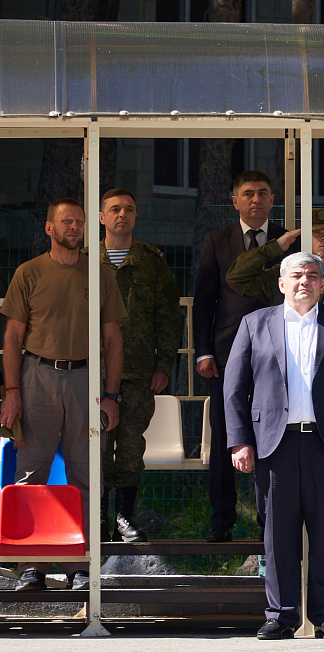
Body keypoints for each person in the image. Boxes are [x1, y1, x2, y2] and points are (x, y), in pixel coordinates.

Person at [224, 252, 324, 640]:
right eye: (296, 276)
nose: (304, 282)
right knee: (278, 536)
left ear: (323, 285)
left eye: (312, 275)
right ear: (281, 283)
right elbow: (234, 389)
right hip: (274, 446)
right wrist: (240, 440)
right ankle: (281, 614)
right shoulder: (255, 324)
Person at [0, 198, 126, 591]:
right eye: (66, 221)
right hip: (36, 375)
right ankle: (31, 565)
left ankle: (81, 565)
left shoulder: (100, 274)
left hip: (85, 378)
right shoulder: (29, 273)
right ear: (49, 229)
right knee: (31, 472)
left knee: (86, 475)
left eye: (80, 221)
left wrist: (111, 395)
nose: (74, 226)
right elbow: (13, 337)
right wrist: (12, 392)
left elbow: (112, 338)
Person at [194, 170, 286, 543]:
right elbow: (204, 301)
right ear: (235, 200)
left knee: (273, 435)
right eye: (247, 193)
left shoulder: (287, 241)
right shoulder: (218, 240)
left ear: (272, 198)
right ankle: (222, 520)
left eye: (263, 193)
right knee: (224, 436)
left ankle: (271, 518)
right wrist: (202, 351)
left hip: (276, 351)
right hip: (226, 351)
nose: (256, 199)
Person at [95, 188, 182, 543]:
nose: (122, 215)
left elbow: (168, 316)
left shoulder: (151, 260)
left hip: (139, 372)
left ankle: (122, 518)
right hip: (92, 373)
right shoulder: (86, 259)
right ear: (101, 217)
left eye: (129, 209)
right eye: (115, 209)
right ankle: (97, 518)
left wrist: (164, 364)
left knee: (130, 447)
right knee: (96, 447)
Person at [227, 206, 324, 313]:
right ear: (306, 236)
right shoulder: (285, 276)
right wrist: (274, 248)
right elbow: (237, 278)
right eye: (316, 233)